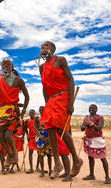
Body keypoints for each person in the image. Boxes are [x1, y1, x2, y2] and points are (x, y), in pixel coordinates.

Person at [39, 41, 83, 179]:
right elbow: (45, 87)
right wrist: (47, 104)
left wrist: (70, 103)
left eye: (46, 46)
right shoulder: (41, 67)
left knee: (60, 129)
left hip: (63, 97)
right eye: (41, 47)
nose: (43, 48)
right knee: (50, 128)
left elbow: (71, 80)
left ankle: (76, 160)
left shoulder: (60, 60)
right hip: (51, 100)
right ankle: (57, 162)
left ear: (52, 49)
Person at [0, 58, 29, 169]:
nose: (5, 66)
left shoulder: (18, 80)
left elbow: (27, 96)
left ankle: (14, 153)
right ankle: (9, 154)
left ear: (12, 66)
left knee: (8, 134)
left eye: (8, 64)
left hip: (12, 110)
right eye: (3, 64)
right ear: (1, 67)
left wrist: (23, 111)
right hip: (1, 110)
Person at [81, 104, 111, 184]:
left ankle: (107, 177)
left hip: (98, 140)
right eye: (90, 108)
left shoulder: (100, 117)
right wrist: (85, 125)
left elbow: (99, 128)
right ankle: (91, 175)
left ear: (96, 109)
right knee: (90, 157)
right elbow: (82, 128)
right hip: (89, 140)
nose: (91, 109)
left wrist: (92, 124)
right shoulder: (86, 117)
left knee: (102, 158)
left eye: (93, 108)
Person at [35, 106, 52, 177]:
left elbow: (51, 128)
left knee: (49, 155)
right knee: (40, 155)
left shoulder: (49, 117)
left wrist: (48, 137)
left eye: (43, 110)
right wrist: (40, 136)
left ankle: (50, 170)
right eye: (40, 110)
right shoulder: (37, 119)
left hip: (48, 139)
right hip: (40, 140)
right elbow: (35, 128)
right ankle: (42, 171)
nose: (41, 111)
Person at [24, 109, 39, 174]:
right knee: (30, 153)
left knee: (39, 153)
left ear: (35, 113)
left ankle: (38, 167)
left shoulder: (37, 120)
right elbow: (24, 128)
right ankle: (31, 168)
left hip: (37, 138)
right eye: (30, 112)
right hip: (31, 138)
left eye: (33, 112)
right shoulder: (27, 121)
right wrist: (27, 135)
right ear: (29, 114)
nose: (32, 113)